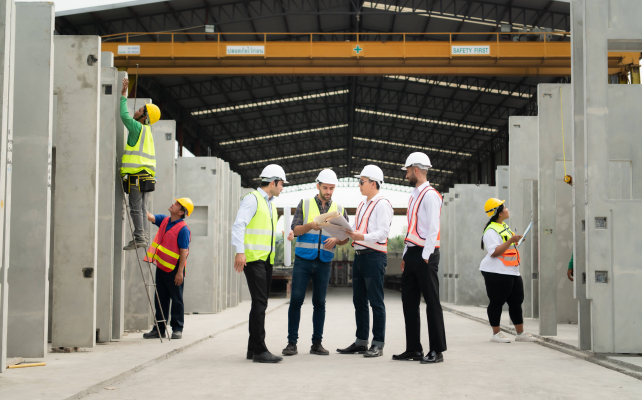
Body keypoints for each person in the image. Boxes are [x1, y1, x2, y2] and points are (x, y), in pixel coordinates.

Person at [283, 169, 349, 357]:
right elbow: (295, 230)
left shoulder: (339, 209)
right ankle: (291, 343)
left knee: (319, 302)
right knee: (296, 300)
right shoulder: (304, 204)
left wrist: (337, 240)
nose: (328, 192)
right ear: (318, 185)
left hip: (324, 261)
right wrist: (310, 226)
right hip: (303, 259)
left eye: (332, 188)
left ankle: (317, 343)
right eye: (326, 188)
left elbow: (346, 237)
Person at [393, 152, 447, 364]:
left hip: (427, 253)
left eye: (407, 171)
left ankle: (437, 350)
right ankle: (414, 349)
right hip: (413, 252)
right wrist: (407, 253)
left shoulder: (431, 195)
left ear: (416, 170)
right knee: (409, 301)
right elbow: (413, 228)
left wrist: (426, 254)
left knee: (431, 301)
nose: (406, 175)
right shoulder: (414, 195)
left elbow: (434, 227)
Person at [231, 164, 287, 363]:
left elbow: (263, 232)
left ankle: (252, 348)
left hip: (266, 258)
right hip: (253, 257)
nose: (283, 187)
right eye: (281, 184)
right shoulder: (252, 199)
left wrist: (281, 238)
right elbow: (239, 225)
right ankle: (260, 350)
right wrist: (240, 252)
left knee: (259, 303)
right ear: (273, 182)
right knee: (260, 303)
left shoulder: (270, 204)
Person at [337, 165, 393, 358]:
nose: (359, 185)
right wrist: (341, 229)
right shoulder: (362, 205)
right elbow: (355, 228)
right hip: (360, 256)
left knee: (376, 301)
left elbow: (383, 233)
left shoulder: (382, 204)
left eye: (362, 181)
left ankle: (378, 343)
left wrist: (361, 237)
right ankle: (361, 341)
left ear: (374, 183)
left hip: (374, 256)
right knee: (359, 301)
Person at [480, 198, 538, 343]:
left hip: (511, 270)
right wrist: (511, 241)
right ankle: (496, 334)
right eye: (505, 207)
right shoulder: (491, 230)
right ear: (499, 213)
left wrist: (516, 240)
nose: (507, 209)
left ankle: (520, 333)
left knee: (517, 301)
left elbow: (508, 245)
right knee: (497, 301)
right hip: (496, 271)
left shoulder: (503, 226)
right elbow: (494, 252)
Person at [120, 77, 162, 250]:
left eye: (138, 110)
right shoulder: (148, 132)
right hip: (148, 178)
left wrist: (123, 94)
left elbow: (123, 116)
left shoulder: (138, 128)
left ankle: (139, 237)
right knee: (142, 208)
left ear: (144, 117)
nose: (135, 111)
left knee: (136, 208)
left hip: (137, 177)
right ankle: (142, 237)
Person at [142, 198, 193, 340]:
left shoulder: (183, 229)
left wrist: (180, 273)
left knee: (176, 299)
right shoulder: (165, 220)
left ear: (182, 212)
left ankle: (177, 329)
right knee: (161, 299)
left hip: (175, 269)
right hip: (162, 267)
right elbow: (150, 216)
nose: (173, 204)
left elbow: (184, 251)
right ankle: (159, 329)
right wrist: (139, 201)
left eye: (177, 204)